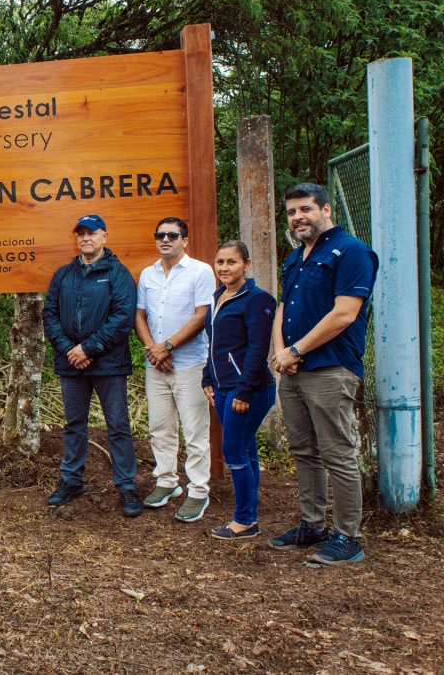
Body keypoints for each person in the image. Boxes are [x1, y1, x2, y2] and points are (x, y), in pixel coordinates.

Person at [268, 183, 378, 565]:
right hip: (294, 370)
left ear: (326, 210)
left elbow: (344, 313)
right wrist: (283, 353)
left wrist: (297, 350)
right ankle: (312, 525)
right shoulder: (296, 257)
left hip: (331, 368)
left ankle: (349, 536)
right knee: (304, 451)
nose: (298, 217)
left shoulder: (352, 252)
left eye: (305, 209)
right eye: (291, 212)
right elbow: (284, 307)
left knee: (337, 452)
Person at [41, 214, 142, 517]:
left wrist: (88, 348)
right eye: (81, 234)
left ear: (104, 237)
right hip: (71, 365)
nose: (85, 238)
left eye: (91, 233)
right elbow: (50, 315)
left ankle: (126, 486)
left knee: (118, 427)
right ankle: (72, 480)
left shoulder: (118, 274)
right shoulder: (63, 275)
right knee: (73, 425)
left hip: (109, 365)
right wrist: (70, 350)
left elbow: (123, 318)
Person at [135, 217, 216, 522]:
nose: (165, 240)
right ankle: (167, 482)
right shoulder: (148, 274)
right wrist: (154, 351)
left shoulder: (201, 271)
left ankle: (198, 490)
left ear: (185, 240)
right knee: (160, 427)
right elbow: (140, 316)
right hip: (155, 365)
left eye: (172, 235)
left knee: (195, 430)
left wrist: (166, 347)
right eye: (160, 235)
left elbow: (201, 317)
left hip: (190, 364)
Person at [201, 241, 277, 539]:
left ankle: (244, 519)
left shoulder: (257, 299)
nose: (224, 268)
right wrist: (208, 378)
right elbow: (214, 343)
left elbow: (258, 348)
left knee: (233, 450)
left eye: (232, 262)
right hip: (222, 388)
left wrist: (244, 390)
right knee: (246, 450)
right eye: (220, 262)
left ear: (246, 264)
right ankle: (250, 518)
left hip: (249, 389)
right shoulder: (218, 297)